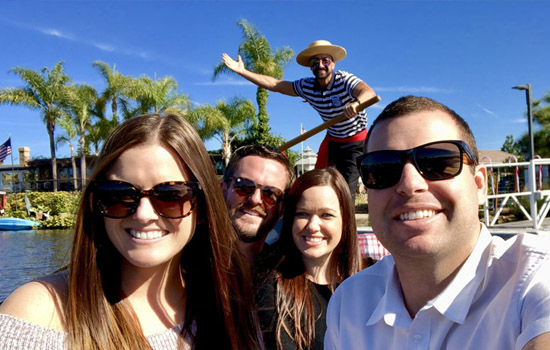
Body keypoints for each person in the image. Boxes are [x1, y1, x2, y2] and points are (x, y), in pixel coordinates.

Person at [0, 114, 261, 349]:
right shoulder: (39, 312)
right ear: (95, 203)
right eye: (119, 195)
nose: (143, 214)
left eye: (171, 195)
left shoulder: (230, 305)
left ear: (203, 209)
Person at [325, 96, 550, 349]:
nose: (410, 185)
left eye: (438, 162)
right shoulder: (348, 304)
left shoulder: (534, 279)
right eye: (382, 168)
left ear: (479, 185)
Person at [222, 40, 376, 198]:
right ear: (310, 66)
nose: (320, 65)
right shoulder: (307, 86)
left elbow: (368, 92)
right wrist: (243, 71)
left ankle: (346, 222)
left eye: (325, 60)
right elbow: (275, 84)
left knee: (345, 191)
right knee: (317, 183)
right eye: (315, 61)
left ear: (333, 64)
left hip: (355, 142)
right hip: (333, 140)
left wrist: (356, 103)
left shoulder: (344, 80)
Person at [255, 167, 363, 349]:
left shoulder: (374, 279)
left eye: (326, 215)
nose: (313, 226)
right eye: (302, 214)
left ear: (345, 222)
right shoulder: (270, 284)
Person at [221, 144, 295, 263]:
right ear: (223, 190)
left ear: (282, 207)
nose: (255, 199)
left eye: (270, 194)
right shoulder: (184, 265)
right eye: (244, 186)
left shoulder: (286, 275)